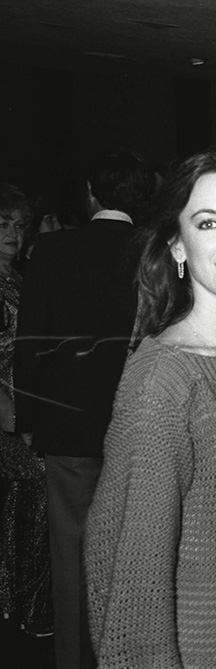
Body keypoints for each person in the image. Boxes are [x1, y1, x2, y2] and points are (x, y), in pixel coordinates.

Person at [84, 149, 216, 668]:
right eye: (207, 223)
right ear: (177, 247)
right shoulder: (165, 378)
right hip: (197, 652)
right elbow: (126, 567)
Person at [14, 148, 155, 669]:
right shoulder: (156, 252)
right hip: (140, 427)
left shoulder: (53, 250)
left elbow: (30, 343)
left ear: (92, 192)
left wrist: (28, 421)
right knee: (136, 554)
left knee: (71, 558)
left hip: (68, 428)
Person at [0, 184, 52, 637]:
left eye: (19, 225)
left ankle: (25, 605)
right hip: (6, 407)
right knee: (29, 487)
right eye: (3, 225)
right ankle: (23, 606)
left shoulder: (19, 277)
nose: (13, 233)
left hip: (25, 401)